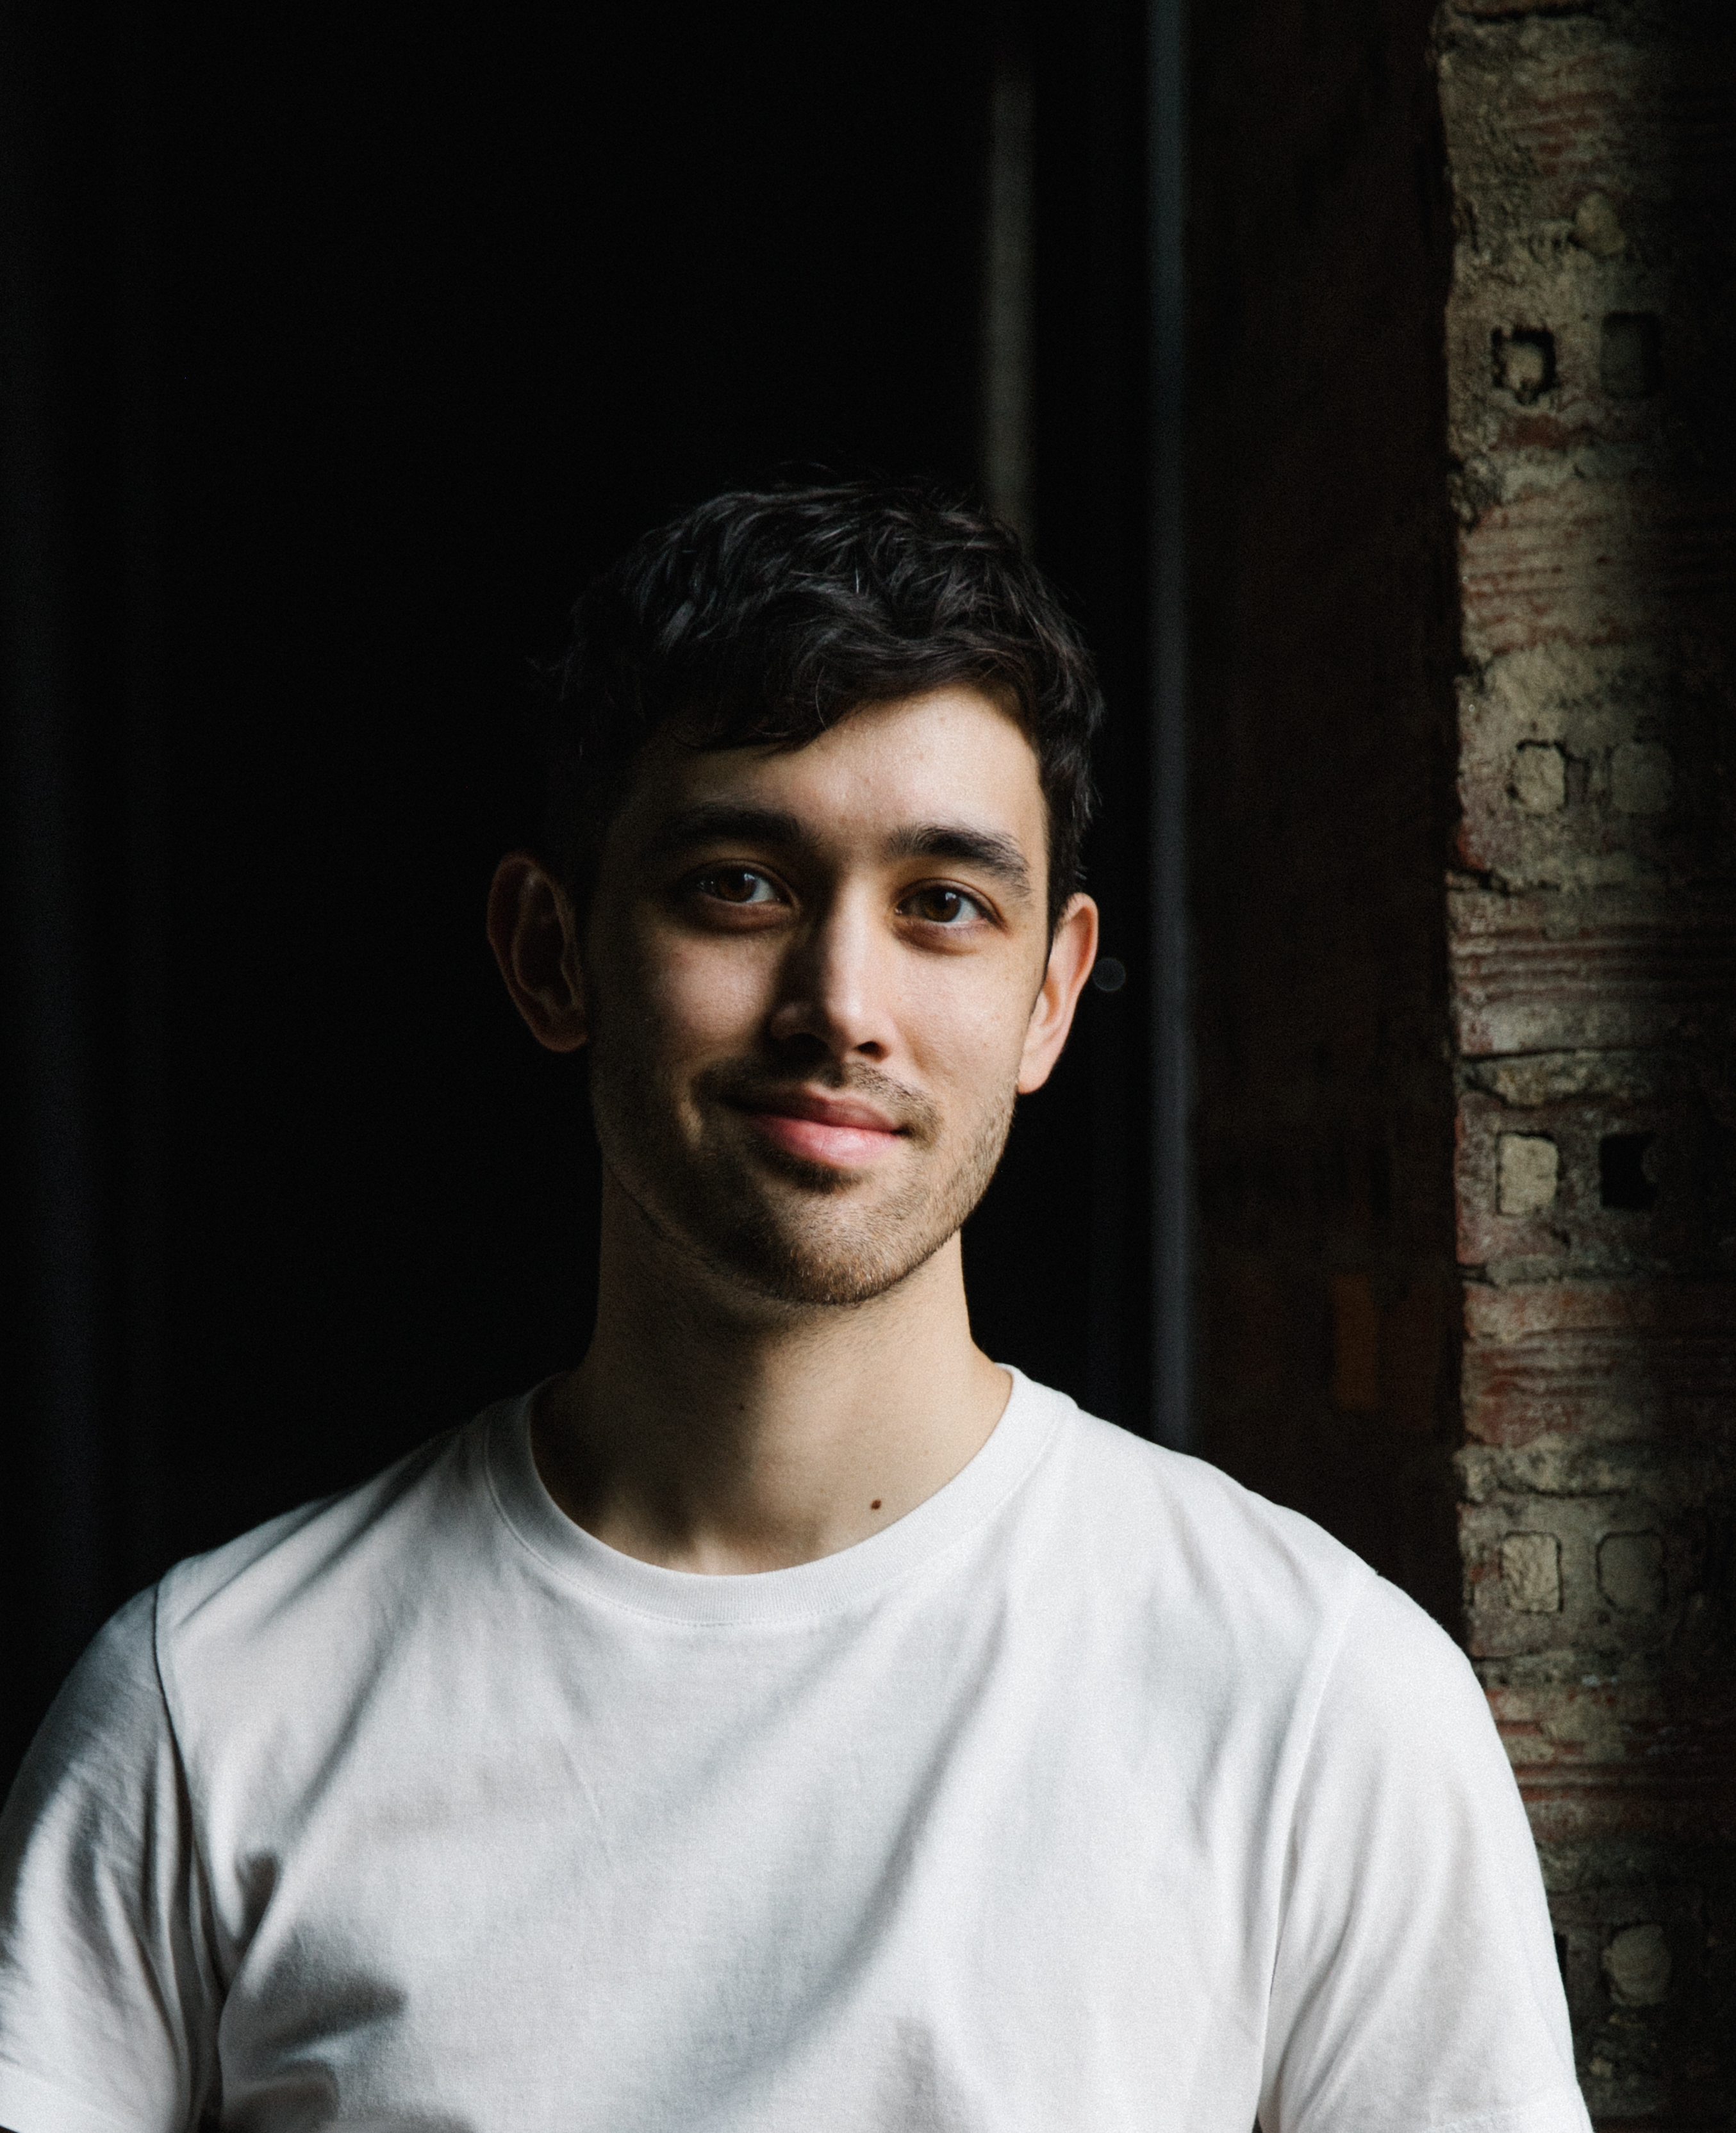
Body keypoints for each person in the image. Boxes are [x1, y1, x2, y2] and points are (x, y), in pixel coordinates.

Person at [0, 482, 1587, 2133]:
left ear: (1051, 995)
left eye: (946, 905)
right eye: (741, 884)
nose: (842, 1004)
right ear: (552, 953)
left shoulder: (1317, 1707)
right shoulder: (212, 1710)